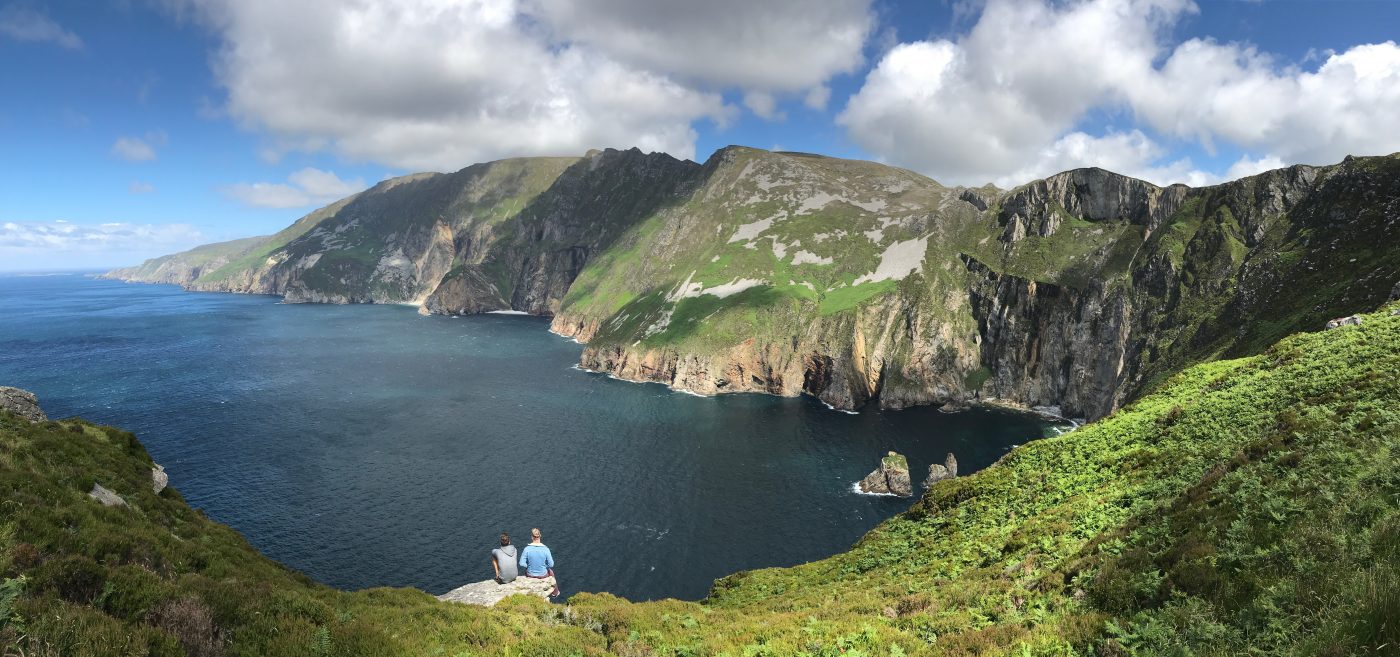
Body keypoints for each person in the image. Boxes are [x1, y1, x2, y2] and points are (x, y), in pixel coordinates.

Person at [518, 527, 559, 597]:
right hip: (542, 574)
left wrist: (529, 565)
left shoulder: (527, 549)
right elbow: (551, 564)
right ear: (540, 536)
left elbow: (521, 563)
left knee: (526, 571)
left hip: (530, 574)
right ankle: (555, 593)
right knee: (551, 572)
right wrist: (544, 566)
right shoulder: (546, 549)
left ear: (532, 537)